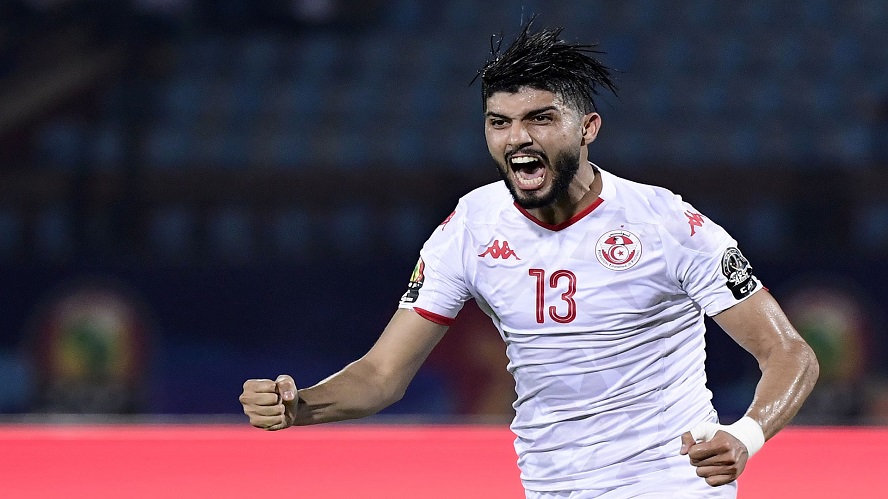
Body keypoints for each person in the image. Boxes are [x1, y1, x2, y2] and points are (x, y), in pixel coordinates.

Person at [240, 21, 819, 498]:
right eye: (500, 122)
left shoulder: (667, 224)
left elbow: (790, 353)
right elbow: (381, 376)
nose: (518, 137)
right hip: (549, 485)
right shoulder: (471, 226)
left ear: (587, 128)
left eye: (540, 118)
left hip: (669, 481)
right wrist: (300, 407)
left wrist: (746, 435)